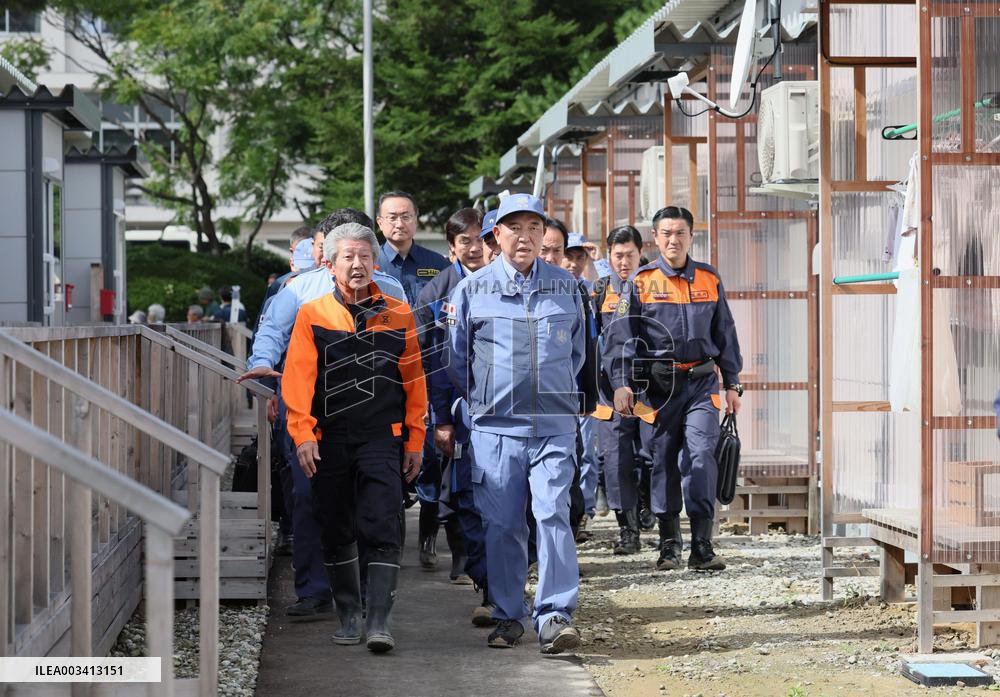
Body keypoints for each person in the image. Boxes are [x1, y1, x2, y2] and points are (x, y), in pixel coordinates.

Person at [239, 208, 406, 622]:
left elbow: (410, 352)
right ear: (327, 253)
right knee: (309, 497)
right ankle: (314, 589)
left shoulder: (392, 289)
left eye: (362, 249)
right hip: (312, 415)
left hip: (374, 416)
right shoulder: (297, 290)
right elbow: (271, 336)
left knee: (373, 504)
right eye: (342, 250)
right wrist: (266, 375)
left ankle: (368, 592)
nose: (354, 260)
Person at [445, 193, 584, 654]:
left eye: (533, 227)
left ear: (544, 234)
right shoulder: (471, 290)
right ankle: (507, 615)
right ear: (495, 235)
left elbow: (581, 354)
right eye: (514, 227)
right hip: (495, 429)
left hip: (554, 425)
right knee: (503, 524)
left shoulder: (567, 287)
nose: (524, 237)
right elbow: (456, 360)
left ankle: (556, 615)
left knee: (552, 514)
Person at [283, 222, 426, 654]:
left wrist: (415, 441)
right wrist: (303, 434)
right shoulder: (312, 315)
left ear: (375, 262)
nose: (358, 264)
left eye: (365, 256)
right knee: (336, 524)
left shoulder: (399, 314)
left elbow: (415, 383)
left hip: (383, 437)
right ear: (330, 264)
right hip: (329, 439)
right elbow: (297, 382)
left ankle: (379, 621)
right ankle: (349, 616)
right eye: (348, 257)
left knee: (383, 521)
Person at [605, 206, 743, 572]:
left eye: (680, 232)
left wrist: (733, 383)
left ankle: (702, 545)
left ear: (691, 237)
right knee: (662, 461)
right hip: (658, 388)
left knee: (700, 457)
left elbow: (725, 333)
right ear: (655, 238)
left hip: (701, 384)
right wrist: (621, 383)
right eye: (666, 233)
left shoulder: (709, 279)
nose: (673, 239)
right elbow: (620, 338)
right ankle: (669, 545)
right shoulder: (639, 282)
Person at [414, 207, 492, 624]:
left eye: (482, 238)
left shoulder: (504, 284)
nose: (475, 247)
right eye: (466, 241)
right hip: (454, 406)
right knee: (457, 485)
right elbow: (429, 357)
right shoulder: (436, 295)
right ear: (452, 248)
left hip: (502, 405)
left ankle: (487, 572)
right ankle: (467, 564)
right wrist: (437, 414)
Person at [591, 225, 650, 554]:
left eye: (630, 255)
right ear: (609, 256)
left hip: (650, 385)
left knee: (651, 453)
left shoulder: (653, 286)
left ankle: (648, 507)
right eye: (618, 255)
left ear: (641, 253)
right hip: (609, 388)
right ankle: (627, 529)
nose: (624, 262)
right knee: (614, 457)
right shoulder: (600, 290)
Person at [375, 190, 449, 304]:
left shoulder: (438, 263)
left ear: (415, 220)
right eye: (392, 218)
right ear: (380, 223)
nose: (399, 224)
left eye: (406, 217)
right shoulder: (370, 263)